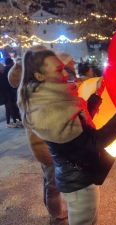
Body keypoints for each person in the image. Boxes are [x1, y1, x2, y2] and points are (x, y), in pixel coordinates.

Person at [18, 49, 116, 225]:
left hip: (77, 177)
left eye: (63, 67)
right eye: (58, 70)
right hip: (79, 183)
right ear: (39, 75)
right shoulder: (48, 109)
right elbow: (94, 141)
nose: (66, 73)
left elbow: (77, 126)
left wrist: (96, 97)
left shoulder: (53, 100)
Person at [8, 45, 69, 225]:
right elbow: (13, 79)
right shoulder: (34, 93)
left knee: (53, 182)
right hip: (46, 148)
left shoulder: (45, 88)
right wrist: (20, 63)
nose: (64, 73)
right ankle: (56, 217)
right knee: (52, 184)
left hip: (53, 146)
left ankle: (56, 213)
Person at [0, 58, 22, 128]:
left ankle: (9, 122)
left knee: (9, 108)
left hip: (7, 93)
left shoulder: (5, 71)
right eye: (2, 69)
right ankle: (15, 121)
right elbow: (5, 84)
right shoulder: (4, 73)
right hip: (5, 94)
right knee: (11, 107)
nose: (3, 70)